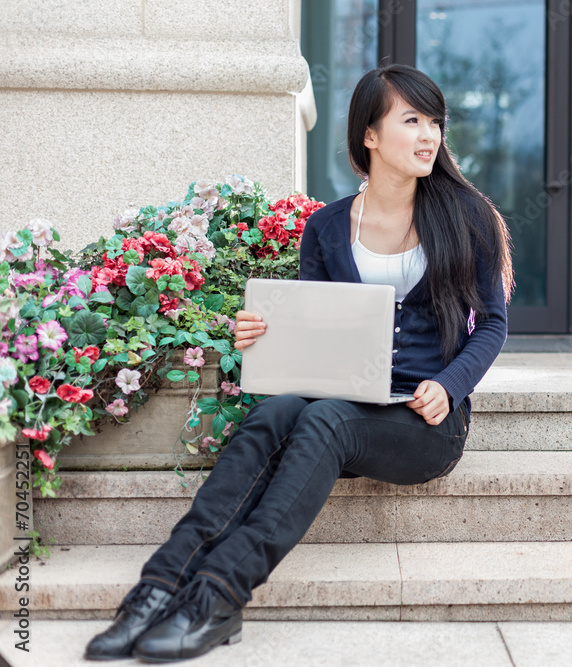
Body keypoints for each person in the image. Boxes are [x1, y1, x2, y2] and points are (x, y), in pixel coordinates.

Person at [84, 63, 513, 662]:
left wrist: (449, 384)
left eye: (435, 122)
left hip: (424, 422)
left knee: (322, 421)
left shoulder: (466, 217)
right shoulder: (328, 227)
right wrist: (263, 332)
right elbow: (315, 324)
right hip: (343, 401)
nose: (429, 135)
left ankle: (216, 597)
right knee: (275, 415)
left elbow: (492, 322)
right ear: (369, 134)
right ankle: (155, 591)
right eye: (412, 120)